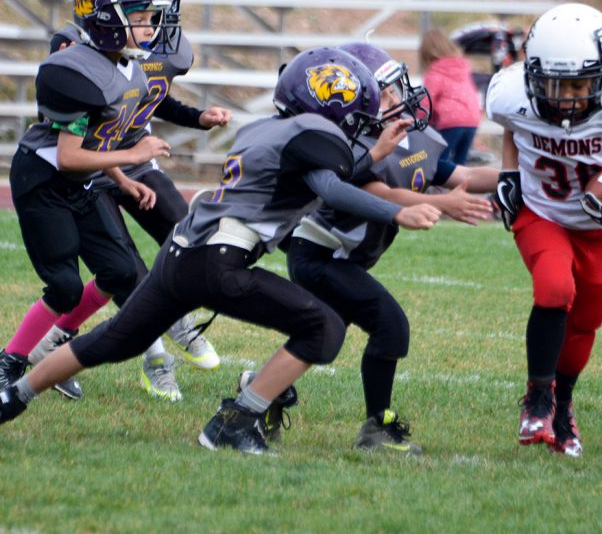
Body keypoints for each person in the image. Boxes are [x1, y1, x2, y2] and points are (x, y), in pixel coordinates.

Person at [0, 47, 442, 456]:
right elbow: (327, 187)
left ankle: (12, 397)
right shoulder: (317, 133)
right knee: (323, 327)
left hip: (182, 252)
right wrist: (395, 212)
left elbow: (306, 177)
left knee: (112, 340)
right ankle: (237, 420)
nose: (362, 124)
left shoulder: (267, 129)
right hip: (218, 260)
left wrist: (370, 158)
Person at [34, 0, 230, 402]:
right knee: (123, 267)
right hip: (90, 162)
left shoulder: (163, 43)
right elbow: (76, 120)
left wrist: (196, 118)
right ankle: (155, 353)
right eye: (146, 7)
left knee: (186, 235)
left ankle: (58, 345)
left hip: (135, 155)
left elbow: (151, 96)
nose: (156, 18)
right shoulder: (75, 43)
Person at [280, 41, 497, 454]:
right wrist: (442, 204)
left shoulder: (406, 137)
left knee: (320, 340)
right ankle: (377, 429)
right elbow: (381, 194)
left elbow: (463, 174)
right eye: (385, 92)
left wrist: (519, 176)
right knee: (389, 325)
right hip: (319, 255)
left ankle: (255, 394)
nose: (397, 98)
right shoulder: (351, 145)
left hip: (336, 257)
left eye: (396, 88)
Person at [487, 2, 602, 457]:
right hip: (541, 214)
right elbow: (513, 127)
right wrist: (510, 174)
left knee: (586, 321)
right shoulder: (514, 96)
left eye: (576, 83)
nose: (564, 96)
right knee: (554, 288)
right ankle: (536, 397)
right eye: (552, 83)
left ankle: (562, 402)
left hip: (595, 226)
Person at [0, 0, 175, 394]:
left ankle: (55, 345)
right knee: (63, 285)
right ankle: (10, 361)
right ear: (108, 21)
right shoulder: (75, 72)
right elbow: (67, 154)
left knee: (118, 271)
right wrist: (134, 156)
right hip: (43, 178)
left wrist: (122, 176)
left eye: (152, 17)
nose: (151, 27)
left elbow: (98, 138)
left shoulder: (125, 65)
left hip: (82, 176)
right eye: (141, 17)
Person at [419, 28, 483, 166]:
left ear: (427, 53)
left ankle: (439, 187)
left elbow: (426, 101)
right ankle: (462, 186)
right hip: (472, 119)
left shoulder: (435, 71)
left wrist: (419, 121)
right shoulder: (463, 67)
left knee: (439, 161)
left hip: (451, 120)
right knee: (461, 162)